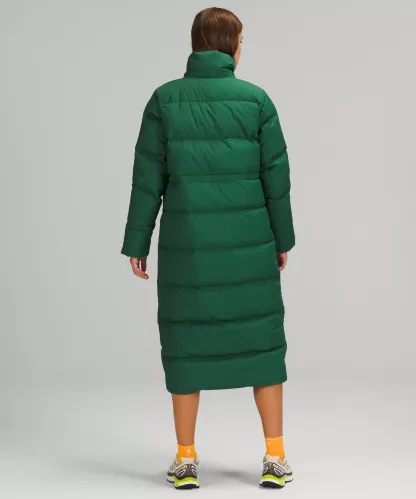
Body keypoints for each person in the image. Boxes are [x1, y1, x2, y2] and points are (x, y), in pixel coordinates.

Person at [121, 7, 295, 490]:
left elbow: (147, 176)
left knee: (185, 347)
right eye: (241, 41)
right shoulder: (256, 100)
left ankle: (185, 460)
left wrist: (138, 241)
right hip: (251, 246)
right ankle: (275, 457)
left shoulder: (164, 100)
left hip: (188, 250)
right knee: (262, 345)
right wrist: (281, 240)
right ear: (232, 45)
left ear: (196, 43)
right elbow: (276, 179)